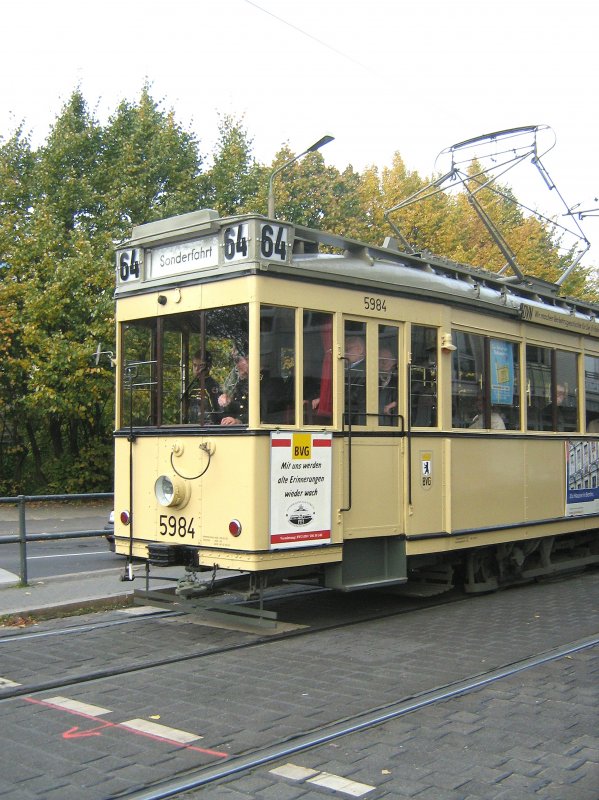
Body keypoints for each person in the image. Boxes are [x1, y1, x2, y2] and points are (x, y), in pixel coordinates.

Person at [186, 351, 220, 423]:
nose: (197, 369)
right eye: (194, 365)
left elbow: (216, 411)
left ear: (209, 367)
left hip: (207, 427)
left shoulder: (212, 386)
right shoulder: (192, 385)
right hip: (192, 426)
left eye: (201, 366)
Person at [218, 352, 249, 425]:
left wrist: (239, 420)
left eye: (238, 360)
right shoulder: (237, 380)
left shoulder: (260, 382)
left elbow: (260, 413)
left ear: (249, 359)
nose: (236, 366)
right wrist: (226, 399)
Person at [345, 335, 366, 424]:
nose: (344, 353)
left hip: (355, 418)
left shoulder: (363, 370)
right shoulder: (349, 368)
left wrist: (330, 400)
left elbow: (355, 395)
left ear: (359, 350)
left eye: (347, 349)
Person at [378, 347, 398, 425]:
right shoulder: (368, 379)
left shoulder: (401, 380)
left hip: (393, 424)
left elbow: (412, 395)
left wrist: (396, 403)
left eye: (388, 358)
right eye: (380, 359)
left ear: (395, 361)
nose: (384, 362)